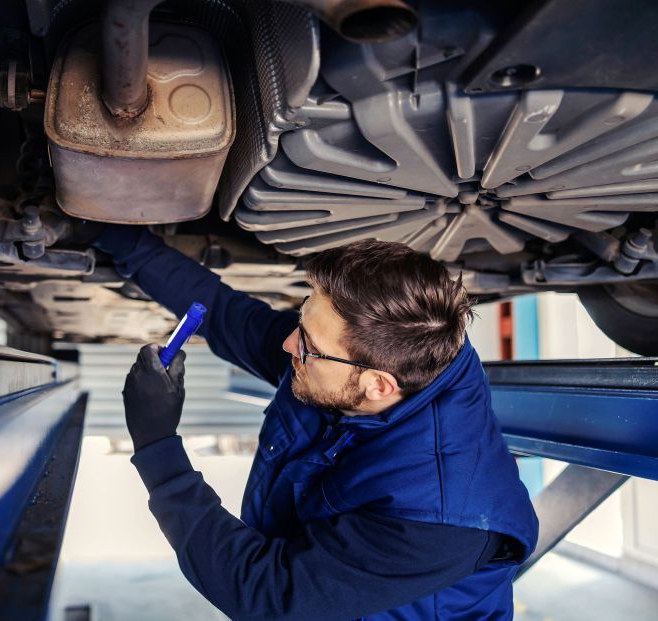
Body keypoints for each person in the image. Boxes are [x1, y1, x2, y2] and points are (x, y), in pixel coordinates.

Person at [93, 224, 539, 620]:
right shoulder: (373, 355)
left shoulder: (438, 521)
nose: (288, 344)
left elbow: (266, 592)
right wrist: (120, 238)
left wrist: (156, 444)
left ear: (377, 386)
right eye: (301, 321)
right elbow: (228, 315)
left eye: (305, 343)